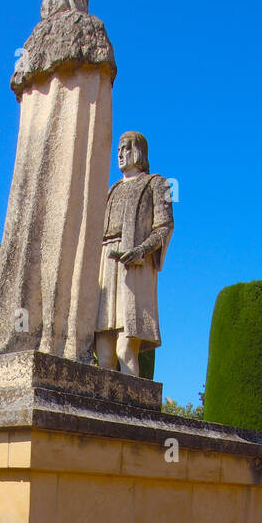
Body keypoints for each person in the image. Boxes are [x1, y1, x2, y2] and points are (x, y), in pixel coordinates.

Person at [0, 0, 115, 364]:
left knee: (33, 229)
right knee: (57, 228)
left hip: (38, 163)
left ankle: (55, 335)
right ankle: (61, 337)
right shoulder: (90, 29)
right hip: (64, 160)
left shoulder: (37, 40)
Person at [95, 131, 174, 377]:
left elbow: (164, 228)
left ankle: (129, 409)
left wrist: (140, 250)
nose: (119, 154)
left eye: (125, 148)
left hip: (135, 266)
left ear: (138, 151)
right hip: (105, 261)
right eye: (118, 149)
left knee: (125, 348)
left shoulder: (156, 183)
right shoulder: (111, 190)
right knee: (104, 350)